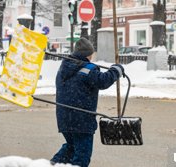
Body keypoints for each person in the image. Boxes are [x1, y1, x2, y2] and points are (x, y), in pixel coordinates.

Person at [51, 37, 124, 167]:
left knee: (71, 146)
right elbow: (103, 81)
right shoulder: (88, 69)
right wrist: (116, 70)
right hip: (81, 119)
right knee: (81, 156)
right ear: (89, 54)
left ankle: (53, 164)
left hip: (64, 117)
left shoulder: (64, 67)